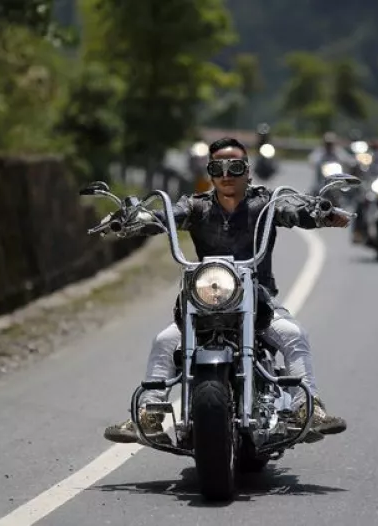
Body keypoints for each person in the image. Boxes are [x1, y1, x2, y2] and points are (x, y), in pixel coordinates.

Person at [104, 137, 349, 446]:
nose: (226, 174)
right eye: (217, 167)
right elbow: (165, 218)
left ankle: (308, 410)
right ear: (209, 172)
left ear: (248, 171)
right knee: (165, 341)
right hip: (205, 301)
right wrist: (134, 220)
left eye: (235, 167)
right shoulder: (194, 206)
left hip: (258, 299)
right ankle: (148, 415)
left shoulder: (267, 203)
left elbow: (294, 211)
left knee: (293, 334)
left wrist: (321, 213)